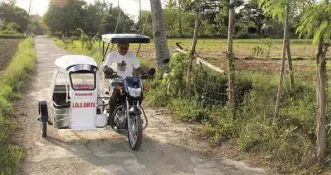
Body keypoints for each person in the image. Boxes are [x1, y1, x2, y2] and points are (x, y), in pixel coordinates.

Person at [103, 42, 149, 118]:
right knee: (114, 96)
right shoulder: (112, 55)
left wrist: (144, 73)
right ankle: (111, 116)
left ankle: (136, 109)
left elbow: (138, 67)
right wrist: (106, 70)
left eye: (126, 48)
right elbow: (106, 66)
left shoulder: (131, 56)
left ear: (128, 47)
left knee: (140, 93)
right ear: (117, 47)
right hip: (117, 80)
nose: (124, 50)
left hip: (129, 81)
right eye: (122, 48)